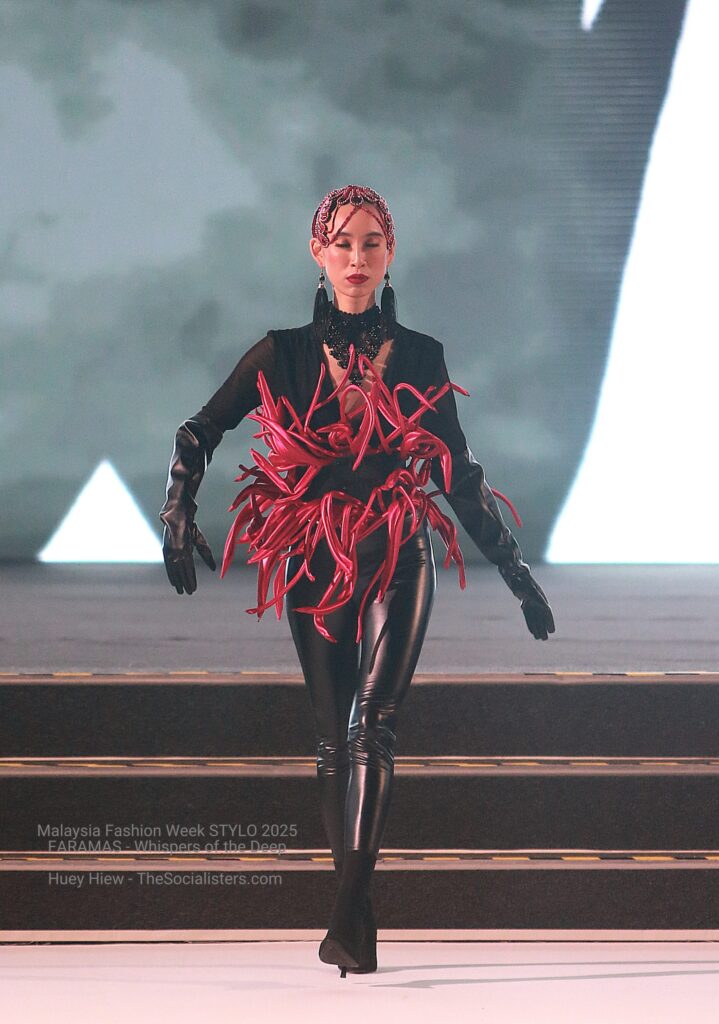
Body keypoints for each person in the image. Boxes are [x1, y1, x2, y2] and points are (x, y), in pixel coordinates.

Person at [159, 183, 555, 976]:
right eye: (342, 242)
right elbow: (201, 428)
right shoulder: (282, 352)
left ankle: (345, 912)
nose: (356, 257)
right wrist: (177, 505)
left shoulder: (421, 356)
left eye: (371, 242)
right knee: (331, 735)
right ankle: (355, 919)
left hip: (398, 544)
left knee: (372, 723)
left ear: (389, 252)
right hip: (313, 551)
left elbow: (459, 475)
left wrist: (515, 572)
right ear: (317, 252)